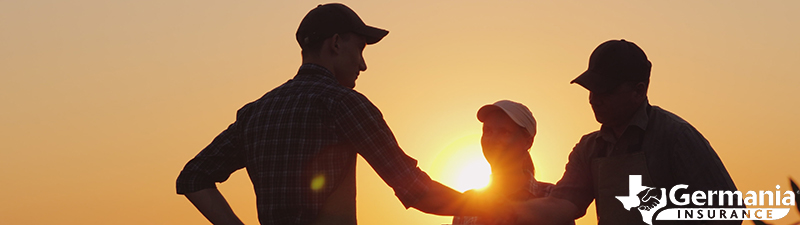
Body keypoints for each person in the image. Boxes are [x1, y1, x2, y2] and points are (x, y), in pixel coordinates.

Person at [175, 3, 506, 225]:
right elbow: (416, 191)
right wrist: (503, 209)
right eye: (359, 49)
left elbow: (193, 177)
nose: (363, 64)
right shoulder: (345, 103)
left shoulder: (255, 113)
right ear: (335, 44)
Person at [512, 40, 740, 225]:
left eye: (606, 91)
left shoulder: (676, 138)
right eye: (591, 89)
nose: (594, 99)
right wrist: (498, 209)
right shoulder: (589, 149)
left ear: (639, 91)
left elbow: (729, 211)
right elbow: (562, 206)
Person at [452, 100, 572, 225]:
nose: (493, 140)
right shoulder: (467, 204)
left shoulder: (551, 198)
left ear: (527, 142)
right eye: (488, 131)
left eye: (504, 132)